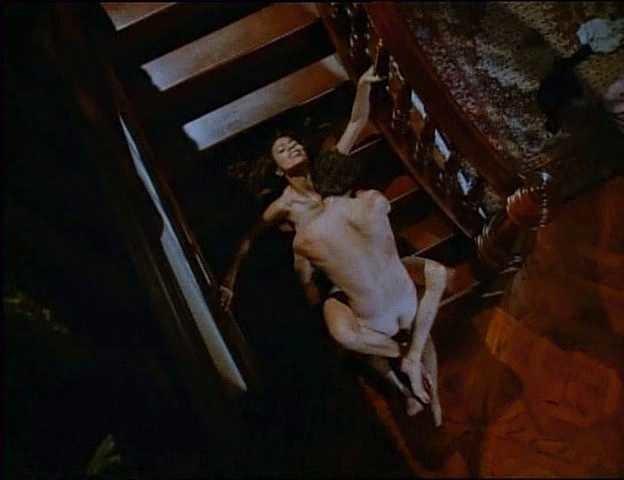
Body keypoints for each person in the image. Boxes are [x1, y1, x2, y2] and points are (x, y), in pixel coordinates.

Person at [219, 66, 447, 424]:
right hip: (334, 273)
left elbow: (356, 122)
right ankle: (401, 385)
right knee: (357, 333)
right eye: (283, 150)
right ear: (278, 169)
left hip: (368, 253)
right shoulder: (283, 205)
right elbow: (250, 238)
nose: (292, 147)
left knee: (416, 312)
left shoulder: (327, 171)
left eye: (294, 143)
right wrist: (230, 279)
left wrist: (362, 86)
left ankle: (430, 390)